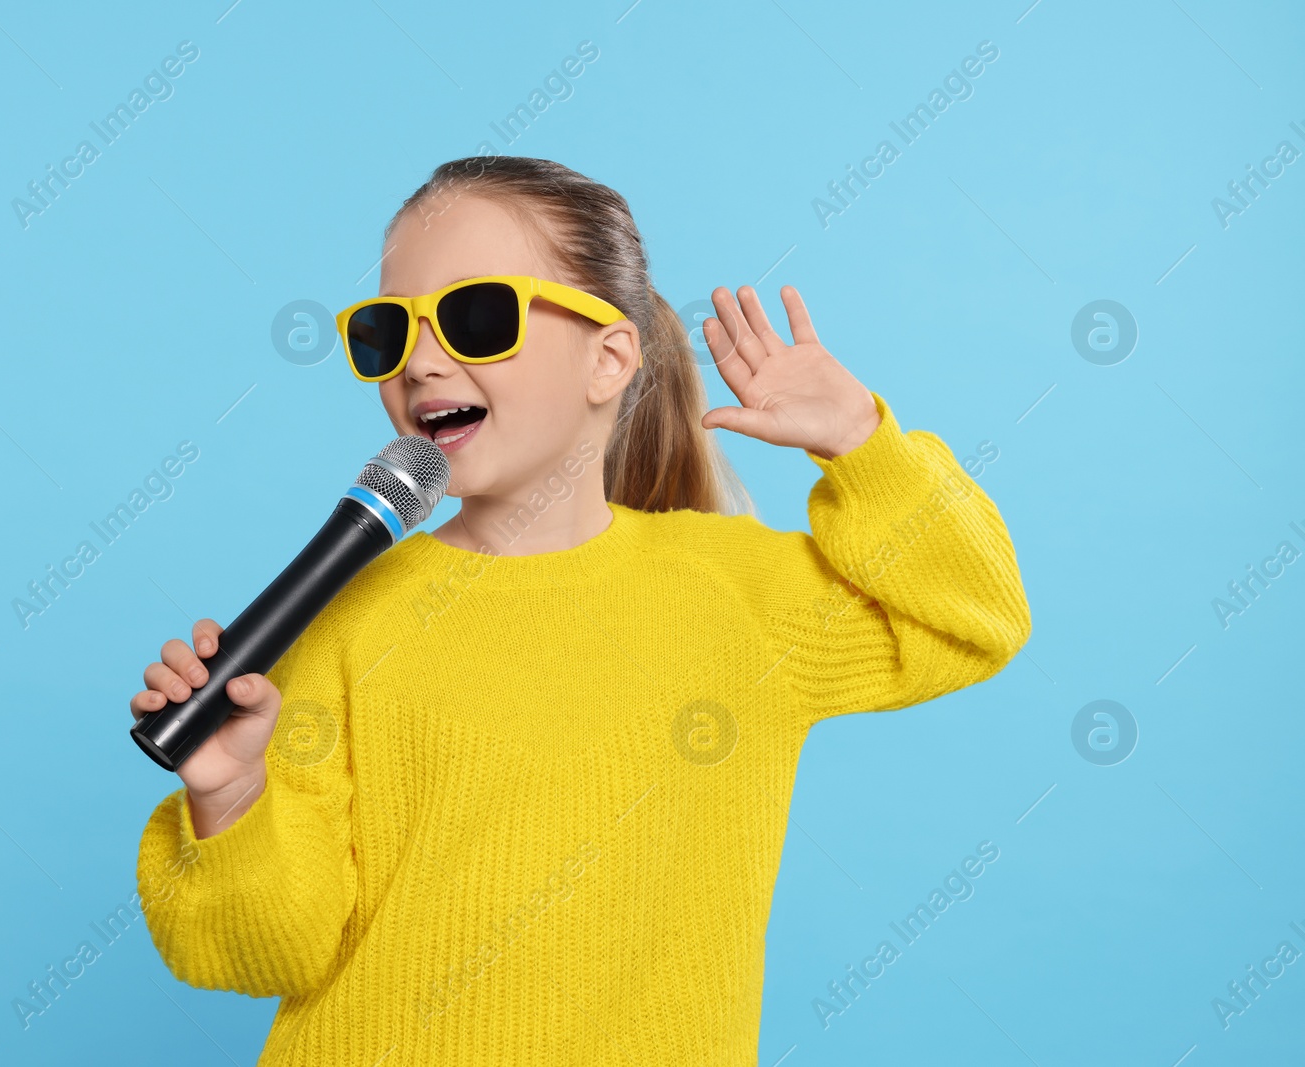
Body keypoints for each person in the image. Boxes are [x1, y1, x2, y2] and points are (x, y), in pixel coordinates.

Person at [131, 155, 1031, 1065]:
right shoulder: (343, 622)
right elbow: (260, 951)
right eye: (387, 331)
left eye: (477, 317)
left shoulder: (739, 598)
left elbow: (972, 616)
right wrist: (233, 792)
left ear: (608, 358)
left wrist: (861, 442)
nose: (423, 360)